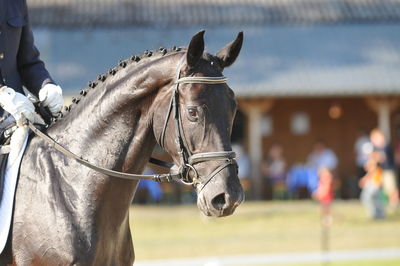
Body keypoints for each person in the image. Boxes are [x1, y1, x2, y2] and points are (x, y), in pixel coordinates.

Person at [0, 0, 63, 135]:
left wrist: (46, 85)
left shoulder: (16, 3)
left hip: (18, 114)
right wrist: (2, 94)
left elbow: (27, 61)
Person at [369, 129, 399, 212]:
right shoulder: (377, 148)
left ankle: (394, 204)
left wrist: (374, 157)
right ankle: (388, 204)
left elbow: (382, 157)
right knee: (385, 189)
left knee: (391, 188)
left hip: (388, 170)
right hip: (381, 171)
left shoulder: (386, 147)